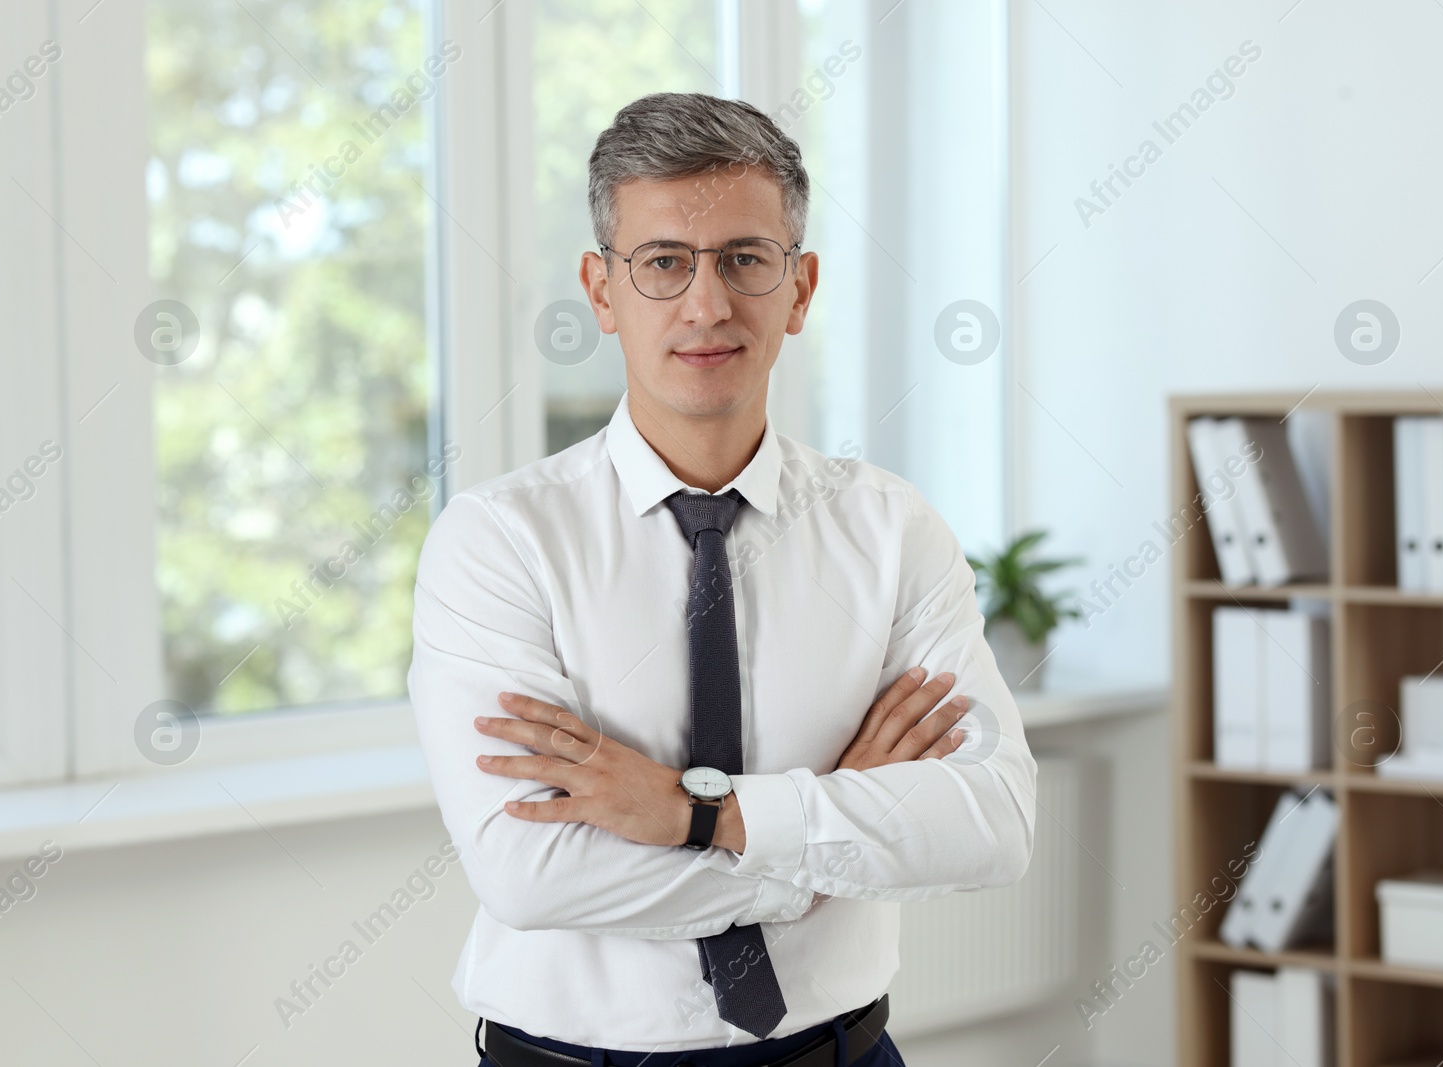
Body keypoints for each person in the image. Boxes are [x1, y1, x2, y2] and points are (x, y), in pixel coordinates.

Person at [408, 91, 1039, 1067]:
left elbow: (990, 821)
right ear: (601, 288)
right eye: (664, 262)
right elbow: (531, 873)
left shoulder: (889, 528)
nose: (706, 304)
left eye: (745, 258)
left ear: (800, 286)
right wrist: (821, 836)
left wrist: (696, 812)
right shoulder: (498, 542)